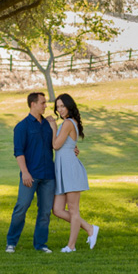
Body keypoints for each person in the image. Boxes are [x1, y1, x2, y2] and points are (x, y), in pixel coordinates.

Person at [7, 93, 55, 253]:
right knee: (21, 207)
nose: (45, 106)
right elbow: (19, 152)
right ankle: (11, 243)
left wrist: (72, 149)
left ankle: (41, 244)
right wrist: (25, 173)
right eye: (42, 103)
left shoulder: (48, 125)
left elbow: (56, 144)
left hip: (48, 175)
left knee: (45, 211)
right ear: (33, 104)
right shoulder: (22, 127)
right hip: (30, 175)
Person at [50, 94, 98, 251]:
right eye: (58, 107)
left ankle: (71, 246)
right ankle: (90, 228)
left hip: (70, 169)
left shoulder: (68, 123)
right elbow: (66, 146)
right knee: (57, 210)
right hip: (62, 169)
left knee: (73, 210)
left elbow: (56, 145)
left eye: (62, 106)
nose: (60, 110)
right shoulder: (67, 123)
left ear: (69, 106)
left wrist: (52, 127)